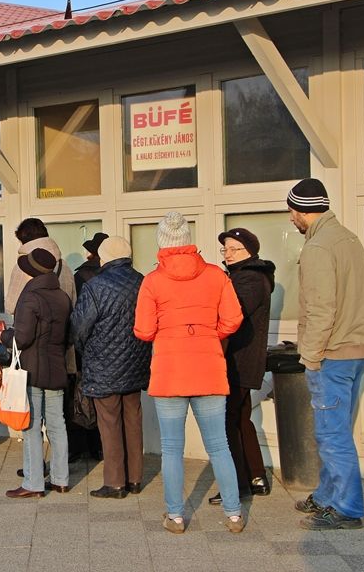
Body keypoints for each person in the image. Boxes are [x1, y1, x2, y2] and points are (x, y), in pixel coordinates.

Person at [134, 212, 246, 534]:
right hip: (209, 368)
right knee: (219, 444)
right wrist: (211, 333)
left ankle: (176, 515)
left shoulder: (152, 281)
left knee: (171, 448)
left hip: (170, 371)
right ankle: (234, 513)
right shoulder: (216, 276)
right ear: (188, 240)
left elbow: (143, 330)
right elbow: (233, 319)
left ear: (162, 242)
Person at [287, 178, 364, 531]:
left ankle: (348, 508)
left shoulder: (319, 247)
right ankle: (325, 496)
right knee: (333, 431)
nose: (291, 218)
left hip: (332, 354)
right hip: (355, 350)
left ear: (302, 210)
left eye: (291, 211)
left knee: (332, 434)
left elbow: (321, 309)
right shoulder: (349, 239)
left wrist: (310, 356)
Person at [71, 236, 151, 499]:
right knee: (133, 419)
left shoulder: (95, 286)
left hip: (103, 365)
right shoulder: (143, 282)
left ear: (103, 257)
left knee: (109, 423)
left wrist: (87, 354)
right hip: (137, 362)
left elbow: (80, 328)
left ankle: (115, 482)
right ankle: (136, 478)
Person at [207, 228, 276, 505]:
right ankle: (256, 476)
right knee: (240, 419)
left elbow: (232, 314)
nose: (228, 253)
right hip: (242, 360)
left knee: (229, 422)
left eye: (234, 248)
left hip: (238, 361)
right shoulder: (245, 276)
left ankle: (236, 485)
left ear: (250, 251)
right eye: (225, 249)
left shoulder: (249, 279)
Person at [0, 248, 72, 498]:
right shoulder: (62, 296)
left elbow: (23, 337)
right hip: (56, 367)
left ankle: (33, 483)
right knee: (57, 425)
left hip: (32, 369)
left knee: (31, 426)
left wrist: (2, 336)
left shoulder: (30, 297)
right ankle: (61, 480)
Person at [69, 232, 108, 462]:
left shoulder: (81, 276)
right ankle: (100, 447)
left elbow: (78, 316)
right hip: (110, 350)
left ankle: (81, 445)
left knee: (81, 396)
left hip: (86, 348)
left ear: (91, 253)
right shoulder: (119, 277)